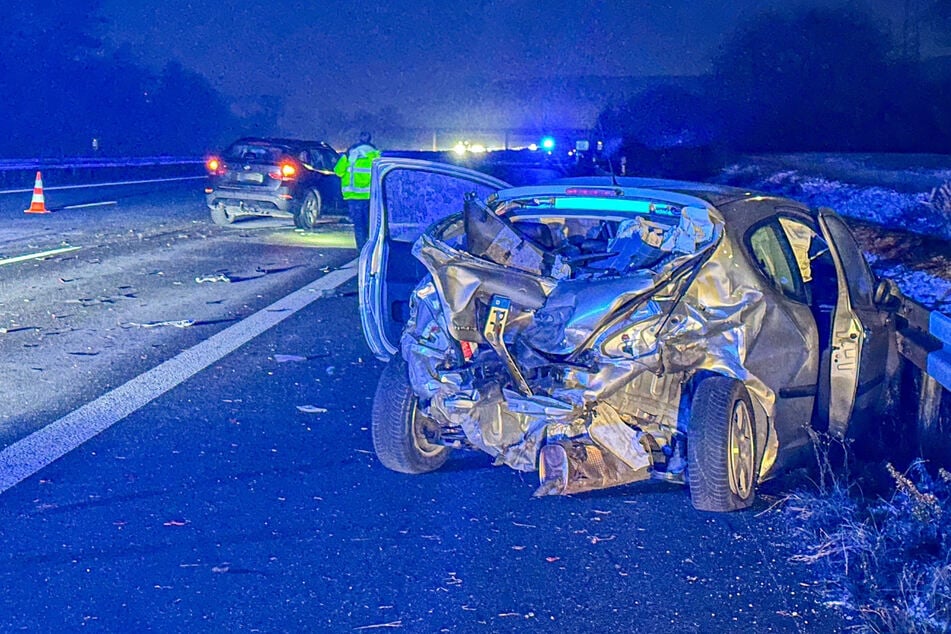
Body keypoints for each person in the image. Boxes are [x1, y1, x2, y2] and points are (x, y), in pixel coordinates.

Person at [333, 131, 381, 250]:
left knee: (358, 225)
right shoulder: (376, 156)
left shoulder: (349, 154)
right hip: (371, 197)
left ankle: (361, 250)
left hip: (353, 196)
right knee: (371, 224)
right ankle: (372, 248)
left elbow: (338, 172)